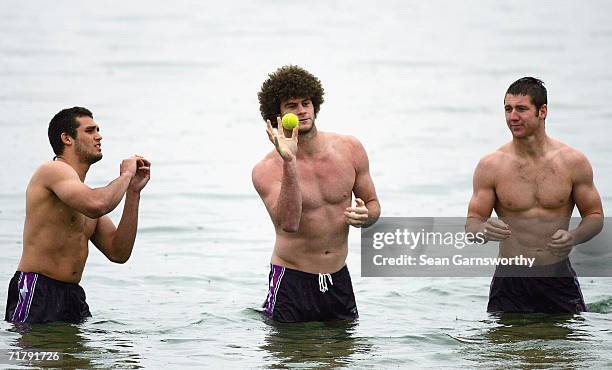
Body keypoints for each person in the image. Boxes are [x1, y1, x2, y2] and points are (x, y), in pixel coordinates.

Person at [252, 65, 380, 322]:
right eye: (291, 105)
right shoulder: (266, 169)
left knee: (344, 357)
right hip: (291, 279)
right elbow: (288, 223)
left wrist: (366, 216)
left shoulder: (350, 149)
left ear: (315, 104)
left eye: (306, 103)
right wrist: (289, 161)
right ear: (277, 115)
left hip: (338, 277)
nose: (301, 111)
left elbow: (374, 207)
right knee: (289, 357)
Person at [465, 77, 604, 313]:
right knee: (502, 348)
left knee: (566, 348)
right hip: (510, 280)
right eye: (508, 109)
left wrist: (574, 237)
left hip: (557, 275)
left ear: (543, 111)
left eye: (521, 109)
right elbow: (472, 224)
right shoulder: (491, 165)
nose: (512, 117)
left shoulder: (572, 162)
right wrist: (484, 231)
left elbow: (595, 215)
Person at [5, 107, 151, 324]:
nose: (99, 136)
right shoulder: (53, 170)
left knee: (76, 359)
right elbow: (98, 204)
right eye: (90, 131)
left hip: (72, 295)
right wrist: (127, 174)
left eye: (98, 130)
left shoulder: (81, 196)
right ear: (67, 138)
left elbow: (119, 252)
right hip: (37, 288)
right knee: (39, 355)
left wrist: (133, 192)